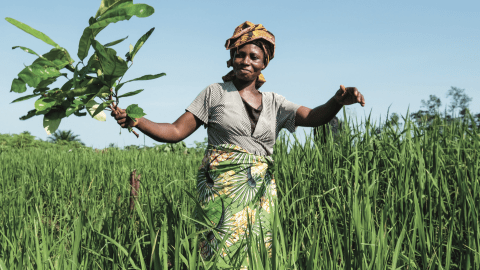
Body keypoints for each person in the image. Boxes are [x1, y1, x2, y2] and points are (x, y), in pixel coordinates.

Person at [111, 21, 365, 267]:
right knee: (219, 252)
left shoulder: (275, 102)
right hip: (221, 190)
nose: (246, 61)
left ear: (264, 62)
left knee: (257, 253)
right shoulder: (215, 93)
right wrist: (137, 120)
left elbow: (313, 117)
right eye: (240, 55)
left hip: (260, 193)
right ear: (232, 57)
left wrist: (337, 102)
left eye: (254, 57)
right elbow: (176, 130)